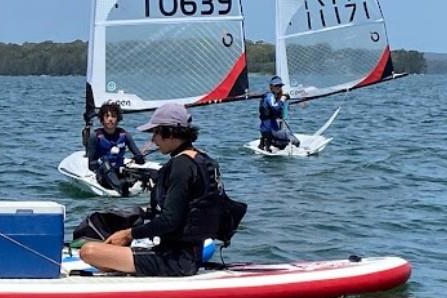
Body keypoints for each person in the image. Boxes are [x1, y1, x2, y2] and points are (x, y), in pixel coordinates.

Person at [79, 103, 242, 276]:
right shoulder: (204, 160)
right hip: (192, 254)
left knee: (88, 251)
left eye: (156, 133)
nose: (153, 140)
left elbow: (169, 221)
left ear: (170, 133)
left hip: (174, 261)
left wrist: (129, 234)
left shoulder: (181, 166)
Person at [86, 102, 145, 196]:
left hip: (119, 171)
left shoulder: (124, 135)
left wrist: (139, 158)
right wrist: (101, 162)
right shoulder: (95, 136)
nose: (110, 119)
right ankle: (120, 188)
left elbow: (140, 160)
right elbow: (91, 164)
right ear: (102, 119)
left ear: (118, 119)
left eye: (113, 116)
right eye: (107, 116)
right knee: (106, 164)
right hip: (103, 175)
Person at [258, 76, 300, 151]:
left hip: (265, 129)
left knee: (283, 143)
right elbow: (275, 108)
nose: (278, 87)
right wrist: (282, 100)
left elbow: (279, 112)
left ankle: (267, 141)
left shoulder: (273, 97)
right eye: (276, 85)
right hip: (270, 129)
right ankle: (268, 142)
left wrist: (282, 100)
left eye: (280, 86)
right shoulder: (270, 96)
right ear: (271, 86)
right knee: (296, 142)